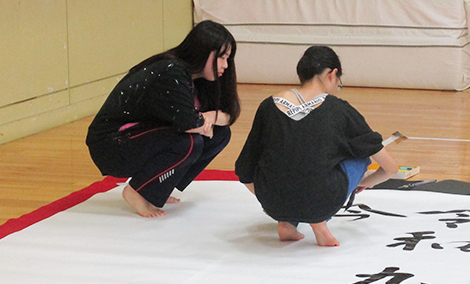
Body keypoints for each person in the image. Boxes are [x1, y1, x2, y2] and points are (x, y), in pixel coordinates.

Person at [235, 46, 398, 246]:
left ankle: (286, 221)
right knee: (360, 155)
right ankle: (319, 224)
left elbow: (244, 168)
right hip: (322, 202)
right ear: (332, 74)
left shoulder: (268, 106)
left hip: (273, 202)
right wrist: (363, 183)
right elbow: (390, 168)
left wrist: (270, 199)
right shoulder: (339, 109)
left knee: (291, 159)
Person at [86, 20, 240, 217]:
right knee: (189, 141)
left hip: (139, 137)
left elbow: (229, 114)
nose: (226, 65)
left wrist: (209, 117)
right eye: (221, 57)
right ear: (202, 51)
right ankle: (135, 192)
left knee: (220, 134)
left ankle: (157, 187)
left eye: (228, 58)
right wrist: (201, 123)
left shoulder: (199, 79)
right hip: (111, 145)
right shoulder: (171, 70)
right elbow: (191, 124)